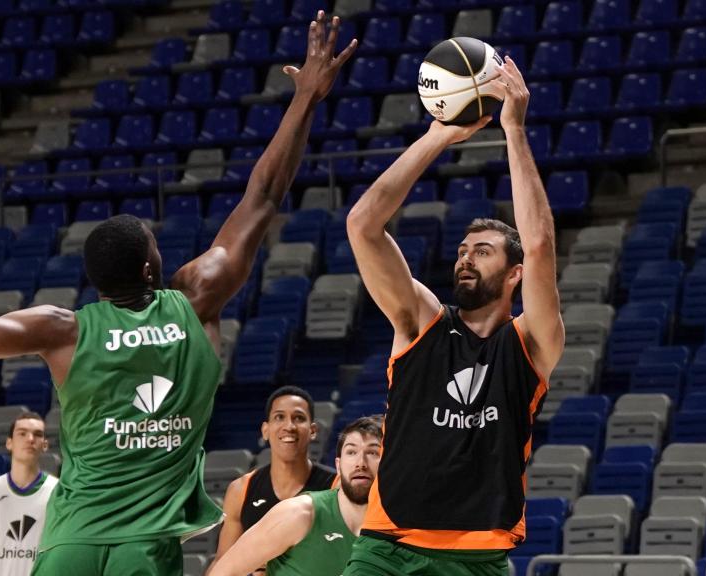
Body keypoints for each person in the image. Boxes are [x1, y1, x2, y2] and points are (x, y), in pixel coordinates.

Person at [0, 12, 355, 576]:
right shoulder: (196, 300)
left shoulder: (63, 328)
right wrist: (306, 100)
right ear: (153, 266)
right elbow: (264, 195)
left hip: (69, 542)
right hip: (144, 546)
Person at [343, 56, 562, 575]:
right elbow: (363, 224)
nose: (465, 256)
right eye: (463, 249)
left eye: (482, 251)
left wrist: (513, 131)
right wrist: (437, 138)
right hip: (388, 549)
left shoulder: (530, 343)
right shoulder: (420, 321)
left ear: (514, 274)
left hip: (480, 556)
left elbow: (540, 243)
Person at [209, 416, 381, 576]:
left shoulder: (401, 529)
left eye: (373, 453)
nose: (360, 463)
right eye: (351, 452)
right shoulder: (298, 513)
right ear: (338, 465)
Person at [212, 387, 336, 568]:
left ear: (313, 430)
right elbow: (222, 562)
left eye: (299, 418)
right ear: (265, 430)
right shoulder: (241, 490)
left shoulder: (336, 486)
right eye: (279, 417)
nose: (289, 426)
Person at [0, 412, 58, 576]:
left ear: (45, 445)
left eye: (37, 435)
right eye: (22, 433)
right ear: (9, 443)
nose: (30, 439)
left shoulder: (58, 491)